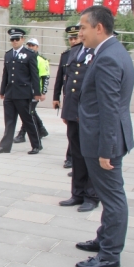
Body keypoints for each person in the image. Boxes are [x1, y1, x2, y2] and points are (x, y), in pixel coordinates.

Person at [75, 5, 134, 267]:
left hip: (103, 140)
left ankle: (110, 255)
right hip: (103, 137)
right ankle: (104, 240)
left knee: (112, 198)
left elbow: (109, 107)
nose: (80, 32)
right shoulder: (112, 51)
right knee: (110, 195)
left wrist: (107, 149)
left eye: (83, 27)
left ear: (99, 28)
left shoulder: (108, 56)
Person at [58, 27, 99, 212]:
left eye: (82, 30)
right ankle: (77, 193)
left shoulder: (98, 51)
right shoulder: (74, 51)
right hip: (73, 111)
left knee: (91, 156)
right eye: (78, 32)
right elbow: (68, 83)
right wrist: (66, 112)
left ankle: (91, 196)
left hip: (89, 113)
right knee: (77, 154)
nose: (79, 35)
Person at [0, 28, 42, 155]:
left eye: (17, 39)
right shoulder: (8, 54)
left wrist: (37, 92)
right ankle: (5, 146)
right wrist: (2, 90)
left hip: (23, 93)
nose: (14, 42)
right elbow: (6, 74)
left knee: (28, 120)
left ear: (22, 39)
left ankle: (36, 145)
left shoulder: (30, 54)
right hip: (10, 93)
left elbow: (34, 75)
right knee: (9, 121)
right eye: (12, 39)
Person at [54, 25, 82, 171]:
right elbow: (60, 77)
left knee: (80, 132)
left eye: (75, 37)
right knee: (71, 132)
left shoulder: (87, 53)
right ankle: (70, 158)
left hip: (81, 99)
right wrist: (56, 97)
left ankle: (76, 159)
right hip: (69, 97)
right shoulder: (66, 55)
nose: (72, 41)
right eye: (70, 38)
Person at [13, 37, 49, 143]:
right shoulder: (23, 57)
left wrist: (43, 92)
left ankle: (22, 134)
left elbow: (45, 77)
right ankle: (41, 129)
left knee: (28, 112)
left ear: (37, 47)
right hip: (26, 90)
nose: (30, 47)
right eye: (29, 45)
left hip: (35, 92)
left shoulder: (41, 60)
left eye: (33, 45)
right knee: (30, 111)